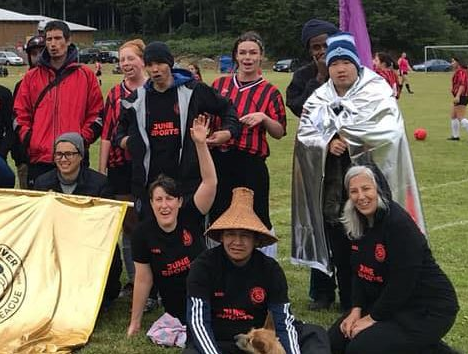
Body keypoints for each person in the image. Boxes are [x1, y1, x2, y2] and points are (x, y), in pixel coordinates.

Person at [292, 32, 426, 314]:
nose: (340, 68)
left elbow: (389, 131)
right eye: (334, 63)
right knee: (337, 242)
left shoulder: (377, 91)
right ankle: (337, 296)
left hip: (369, 183)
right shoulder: (318, 97)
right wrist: (328, 141)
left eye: (346, 62)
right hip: (331, 185)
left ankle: (371, 298)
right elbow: (305, 134)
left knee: (369, 243)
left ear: (356, 64)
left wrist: (348, 137)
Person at [329, 166, 459, 354]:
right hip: (388, 302)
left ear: (379, 189)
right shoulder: (356, 222)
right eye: (354, 191)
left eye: (366, 188)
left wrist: (372, 318)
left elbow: (404, 281)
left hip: (426, 308)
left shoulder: (397, 223)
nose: (361, 197)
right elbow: (358, 272)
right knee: (335, 341)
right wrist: (356, 309)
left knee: (361, 348)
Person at [185, 187, 326, 354]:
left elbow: (283, 321)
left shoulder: (270, 269)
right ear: (222, 236)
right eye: (230, 234)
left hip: (254, 344)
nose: (237, 242)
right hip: (217, 340)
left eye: (245, 235)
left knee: (315, 333)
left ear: (256, 240)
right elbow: (198, 322)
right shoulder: (203, 266)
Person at [114, 41, 239, 220]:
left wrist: (227, 132)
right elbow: (119, 131)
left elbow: (227, 108)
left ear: (170, 64)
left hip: (187, 185)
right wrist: (127, 142)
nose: (155, 69)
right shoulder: (136, 100)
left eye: (160, 63)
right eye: (150, 65)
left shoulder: (193, 90)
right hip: (150, 188)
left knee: (188, 242)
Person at [126, 116, 216, 340]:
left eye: (169, 199)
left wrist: (200, 144)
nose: (164, 205)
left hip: (208, 297)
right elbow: (143, 278)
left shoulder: (191, 216)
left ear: (179, 201)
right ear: (151, 203)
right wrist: (135, 322)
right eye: (158, 200)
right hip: (176, 310)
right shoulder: (142, 234)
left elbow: (210, 183)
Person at [210, 32, 286, 256]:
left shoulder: (269, 91)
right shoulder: (220, 84)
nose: (248, 57)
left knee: (258, 216)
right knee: (219, 215)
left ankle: (264, 266)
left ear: (261, 56)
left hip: (251, 162)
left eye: (253, 52)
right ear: (235, 56)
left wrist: (264, 118)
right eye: (242, 52)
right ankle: (219, 265)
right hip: (221, 160)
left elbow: (280, 131)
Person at [30, 132, 122, 307]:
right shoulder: (43, 183)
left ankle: (102, 294)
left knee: (112, 252)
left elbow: (107, 225)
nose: (63, 159)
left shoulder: (100, 184)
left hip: (89, 243)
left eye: (69, 154)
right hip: (56, 241)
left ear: (81, 156)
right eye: (59, 154)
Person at [286, 18, 339, 310]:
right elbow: (298, 107)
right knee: (317, 220)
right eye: (315, 47)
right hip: (315, 159)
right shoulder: (304, 76)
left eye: (325, 44)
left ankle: (353, 288)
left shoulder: (347, 71)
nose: (321, 51)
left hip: (346, 158)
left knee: (346, 223)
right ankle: (321, 290)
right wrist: (319, 78)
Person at [14, 21, 104, 187]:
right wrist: (30, 139)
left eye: (57, 38)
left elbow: (97, 114)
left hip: (75, 157)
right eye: (49, 39)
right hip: (40, 158)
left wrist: (81, 140)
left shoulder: (86, 76)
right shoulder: (31, 77)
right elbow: (20, 114)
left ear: (68, 41)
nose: (53, 44)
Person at [99, 39, 146, 293]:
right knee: (129, 226)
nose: (126, 64)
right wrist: (102, 171)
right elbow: (107, 135)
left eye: (131, 58)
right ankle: (134, 280)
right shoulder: (115, 94)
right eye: (122, 60)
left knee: (151, 221)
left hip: (151, 167)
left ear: (143, 60)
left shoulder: (155, 88)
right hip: (121, 166)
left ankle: (156, 283)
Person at [11, 34, 46, 188]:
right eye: (34, 54)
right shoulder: (22, 84)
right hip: (28, 158)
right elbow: (16, 119)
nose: (38, 57)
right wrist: (25, 145)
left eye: (41, 52)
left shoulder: (62, 81)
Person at [448, 57, 468, 142]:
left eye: (453, 61)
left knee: (460, 117)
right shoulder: (464, 71)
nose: (451, 63)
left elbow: (462, 84)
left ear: (458, 62)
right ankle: (455, 136)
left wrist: (458, 96)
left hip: (462, 96)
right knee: (453, 116)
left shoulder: (461, 71)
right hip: (463, 95)